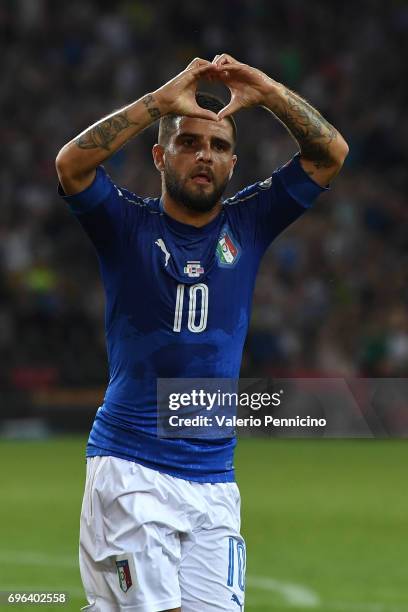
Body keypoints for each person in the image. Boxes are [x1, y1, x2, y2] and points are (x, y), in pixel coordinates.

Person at [56, 53, 348, 612]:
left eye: (217, 147)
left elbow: (331, 154)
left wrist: (267, 91)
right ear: (160, 155)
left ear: (234, 163)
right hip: (132, 469)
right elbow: (72, 166)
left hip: (215, 483)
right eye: (189, 142)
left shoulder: (249, 223)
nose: (203, 156)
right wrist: (158, 102)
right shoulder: (125, 226)